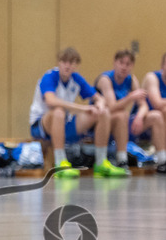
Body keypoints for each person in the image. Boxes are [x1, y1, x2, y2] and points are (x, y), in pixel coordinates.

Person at [29, 47, 124, 178]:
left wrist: (100, 105)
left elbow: (99, 98)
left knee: (103, 112)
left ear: (76, 65)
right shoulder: (49, 77)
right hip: (41, 125)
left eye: (71, 62)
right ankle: (60, 163)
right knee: (58, 112)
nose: (67, 66)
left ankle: (101, 163)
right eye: (64, 61)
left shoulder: (76, 79)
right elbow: (51, 101)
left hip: (64, 123)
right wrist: (82, 108)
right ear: (59, 63)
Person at [96, 49, 156, 168]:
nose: (124, 67)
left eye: (127, 64)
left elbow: (143, 105)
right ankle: (122, 158)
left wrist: (139, 116)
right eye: (121, 63)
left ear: (132, 66)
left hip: (122, 121)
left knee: (156, 116)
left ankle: (164, 159)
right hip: (101, 120)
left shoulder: (131, 79)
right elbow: (112, 107)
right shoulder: (105, 79)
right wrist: (130, 97)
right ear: (114, 63)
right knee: (121, 114)